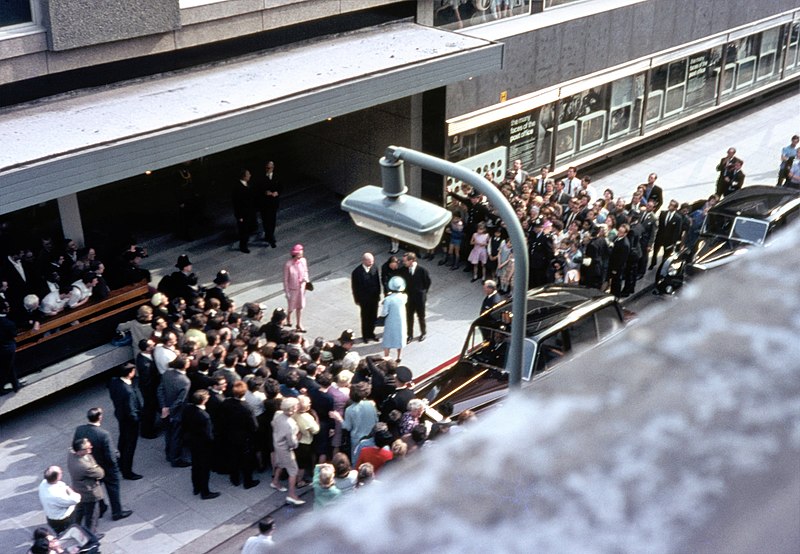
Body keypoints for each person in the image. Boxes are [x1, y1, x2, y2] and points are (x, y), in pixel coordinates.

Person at [72, 407, 133, 523]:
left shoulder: (79, 430)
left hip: (91, 466)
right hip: (106, 467)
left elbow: (75, 446)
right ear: (100, 417)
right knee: (113, 488)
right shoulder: (103, 434)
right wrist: (117, 456)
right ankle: (117, 512)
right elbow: (110, 456)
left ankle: (101, 507)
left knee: (96, 487)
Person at [181, 389, 220, 499]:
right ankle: (205, 492)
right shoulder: (205, 416)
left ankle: (196, 487)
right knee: (204, 469)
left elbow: (184, 425)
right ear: (203, 401)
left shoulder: (188, 409)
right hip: (203, 445)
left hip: (192, 442)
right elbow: (209, 435)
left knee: (195, 466)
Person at [108, 363, 144, 481]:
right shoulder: (128, 391)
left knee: (123, 440)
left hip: (121, 416)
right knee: (129, 446)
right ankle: (127, 471)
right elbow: (131, 411)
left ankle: (119, 462)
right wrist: (138, 419)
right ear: (129, 373)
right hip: (129, 422)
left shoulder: (114, 381)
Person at [221, 380, 260, 489]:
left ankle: (235, 479)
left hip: (230, 436)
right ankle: (248, 481)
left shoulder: (226, 403)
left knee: (233, 458)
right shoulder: (247, 407)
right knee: (246, 460)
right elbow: (254, 426)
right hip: (244, 438)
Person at [157, 354, 192, 467]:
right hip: (177, 413)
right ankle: (175, 458)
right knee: (176, 436)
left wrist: (164, 407)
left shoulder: (167, 373)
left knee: (168, 433)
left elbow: (160, 389)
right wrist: (171, 410)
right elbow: (180, 400)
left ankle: (169, 453)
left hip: (166, 409)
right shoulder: (185, 381)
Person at [66, 438, 104, 536]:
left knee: (79, 510)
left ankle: (74, 528)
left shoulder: (71, 454)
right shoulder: (84, 467)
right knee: (92, 516)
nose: (91, 447)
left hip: (79, 489)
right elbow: (100, 473)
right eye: (87, 448)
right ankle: (91, 536)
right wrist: (95, 466)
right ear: (80, 451)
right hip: (89, 493)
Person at [271, 397, 305, 505]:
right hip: (285, 448)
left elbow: (273, 424)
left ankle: (275, 482)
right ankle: (292, 494)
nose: (298, 407)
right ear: (292, 409)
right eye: (296, 406)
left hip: (277, 444)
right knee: (293, 470)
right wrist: (298, 437)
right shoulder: (290, 424)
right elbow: (292, 443)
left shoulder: (278, 413)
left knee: (281, 464)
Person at [38, 466, 80, 534]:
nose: (62, 472)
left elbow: (61, 485)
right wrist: (69, 490)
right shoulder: (56, 495)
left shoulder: (43, 483)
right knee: (69, 534)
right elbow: (76, 499)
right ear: (57, 477)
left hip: (51, 517)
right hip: (62, 520)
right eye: (60, 472)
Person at [351, 252, 381, 343]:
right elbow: (355, 287)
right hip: (364, 299)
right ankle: (365, 335)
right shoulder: (357, 272)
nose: (371, 263)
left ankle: (371, 333)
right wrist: (357, 300)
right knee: (365, 317)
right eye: (369, 262)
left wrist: (379, 294)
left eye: (372, 261)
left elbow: (377, 282)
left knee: (373, 316)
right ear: (364, 261)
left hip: (374, 298)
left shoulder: (375, 268)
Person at [401, 252, 430, 343]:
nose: (403, 263)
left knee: (421, 316)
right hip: (409, 298)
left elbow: (427, 282)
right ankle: (409, 335)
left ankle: (423, 333)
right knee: (409, 317)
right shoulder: (404, 270)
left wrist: (422, 292)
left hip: (419, 298)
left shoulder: (422, 270)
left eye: (405, 261)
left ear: (412, 260)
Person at [254, 161, 282, 248]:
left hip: (273, 202)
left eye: (269, 168)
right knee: (266, 220)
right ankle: (269, 236)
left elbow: (280, 187)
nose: (267, 170)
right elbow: (257, 188)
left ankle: (270, 235)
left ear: (273, 168)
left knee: (272, 220)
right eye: (266, 168)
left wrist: (277, 192)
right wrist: (265, 192)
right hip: (264, 203)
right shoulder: (261, 177)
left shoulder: (277, 176)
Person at [649, 200, 684, 270]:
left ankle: (662, 267)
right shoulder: (663, 214)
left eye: (672, 205)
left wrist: (673, 242)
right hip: (660, 237)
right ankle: (653, 263)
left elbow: (677, 231)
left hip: (669, 240)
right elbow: (659, 226)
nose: (669, 206)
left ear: (675, 208)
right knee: (655, 251)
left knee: (666, 255)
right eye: (670, 204)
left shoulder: (678, 218)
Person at [380, 276, 407, 363]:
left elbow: (384, 313)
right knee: (400, 337)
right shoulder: (404, 297)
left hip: (391, 321)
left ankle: (387, 357)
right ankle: (399, 356)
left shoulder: (388, 299)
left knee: (388, 339)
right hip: (401, 321)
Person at [283, 244, 309, 333]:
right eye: (299, 254)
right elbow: (285, 279)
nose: (301, 256)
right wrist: (287, 292)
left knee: (300, 306)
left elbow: (305, 271)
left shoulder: (303, 261)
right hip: (292, 289)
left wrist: (306, 278)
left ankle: (299, 323)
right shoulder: (288, 264)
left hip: (301, 287)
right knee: (291, 308)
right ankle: (288, 317)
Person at [0, 300, 23, 395]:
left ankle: (15, 385)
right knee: (6, 368)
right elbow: (14, 334)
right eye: (7, 307)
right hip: (7, 348)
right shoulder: (9, 323)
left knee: (9, 367)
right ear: (4, 310)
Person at [232, 168, 257, 253]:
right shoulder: (237, 187)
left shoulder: (248, 184)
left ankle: (246, 242)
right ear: (244, 176)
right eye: (248, 174)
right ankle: (243, 246)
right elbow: (236, 203)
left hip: (249, 211)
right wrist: (239, 216)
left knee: (249, 229)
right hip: (243, 213)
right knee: (243, 230)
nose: (250, 176)